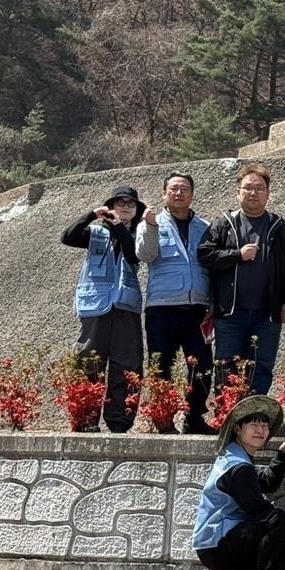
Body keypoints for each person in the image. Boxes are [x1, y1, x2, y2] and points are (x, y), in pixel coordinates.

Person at [197, 164, 285, 398]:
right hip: (230, 314)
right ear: (238, 192)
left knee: (262, 367)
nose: (253, 193)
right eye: (248, 188)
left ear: (268, 193)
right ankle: (227, 417)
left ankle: (255, 418)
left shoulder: (279, 226)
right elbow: (205, 254)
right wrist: (237, 255)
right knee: (226, 368)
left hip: (267, 315)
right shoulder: (224, 223)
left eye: (259, 188)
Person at [192, 394, 285, 570]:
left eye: (264, 425)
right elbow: (257, 508)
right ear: (237, 429)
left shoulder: (237, 457)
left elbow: (267, 482)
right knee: (275, 517)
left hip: (221, 547)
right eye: (253, 425)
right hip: (218, 546)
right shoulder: (238, 467)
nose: (260, 430)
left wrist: (283, 451)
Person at [61, 185, 145, 432]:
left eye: (130, 204)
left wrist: (119, 226)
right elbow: (67, 237)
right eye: (120, 203)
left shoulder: (140, 232)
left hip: (126, 304)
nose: (125, 207)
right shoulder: (96, 231)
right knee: (89, 360)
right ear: (110, 206)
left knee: (127, 362)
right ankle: (86, 417)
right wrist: (91, 215)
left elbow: (133, 254)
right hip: (96, 304)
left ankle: (119, 420)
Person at [136, 172, 212, 434]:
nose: (179, 193)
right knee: (161, 365)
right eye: (174, 189)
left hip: (197, 308)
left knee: (202, 365)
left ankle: (195, 418)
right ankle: (163, 419)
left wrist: (212, 302)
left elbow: (211, 265)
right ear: (164, 193)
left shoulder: (205, 226)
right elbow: (145, 255)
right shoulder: (151, 222)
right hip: (162, 307)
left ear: (192, 194)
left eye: (184, 189)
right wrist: (150, 226)